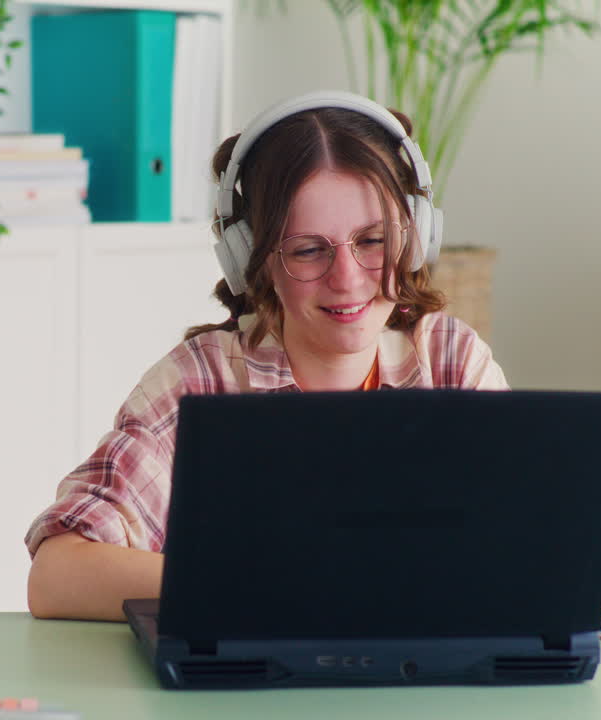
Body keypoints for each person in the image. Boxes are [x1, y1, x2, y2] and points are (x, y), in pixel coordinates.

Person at [25, 90, 508, 621]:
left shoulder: (450, 362)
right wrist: (268, 584)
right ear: (252, 261)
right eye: (308, 250)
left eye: (372, 240)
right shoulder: (201, 382)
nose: (347, 279)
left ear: (416, 235)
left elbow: (518, 550)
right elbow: (57, 576)